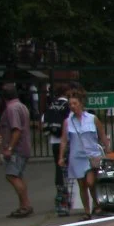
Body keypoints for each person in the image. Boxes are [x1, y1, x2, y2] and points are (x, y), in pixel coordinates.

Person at [58, 88, 112, 219]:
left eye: (75, 103)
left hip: (92, 156)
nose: (72, 106)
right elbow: (64, 141)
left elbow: (102, 136)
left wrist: (109, 151)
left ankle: (97, 204)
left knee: (90, 182)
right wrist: (61, 157)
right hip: (76, 157)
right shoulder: (68, 122)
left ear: (81, 104)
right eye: (70, 104)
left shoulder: (93, 119)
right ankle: (87, 211)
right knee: (82, 185)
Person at [0, 81, 33, 217]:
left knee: (11, 176)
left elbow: (16, 130)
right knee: (17, 175)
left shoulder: (12, 109)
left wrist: (9, 148)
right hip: (23, 147)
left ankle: (25, 205)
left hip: (16, 149)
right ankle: (23, 205)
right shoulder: (21, 106)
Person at [43, 87, 72, 216]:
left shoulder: (51, 106)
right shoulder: (68, 106)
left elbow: (43, 122)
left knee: (58, 169)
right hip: (66, 142)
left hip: (54, 142)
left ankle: (61, 199)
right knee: (69, 171)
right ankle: (70, 199)